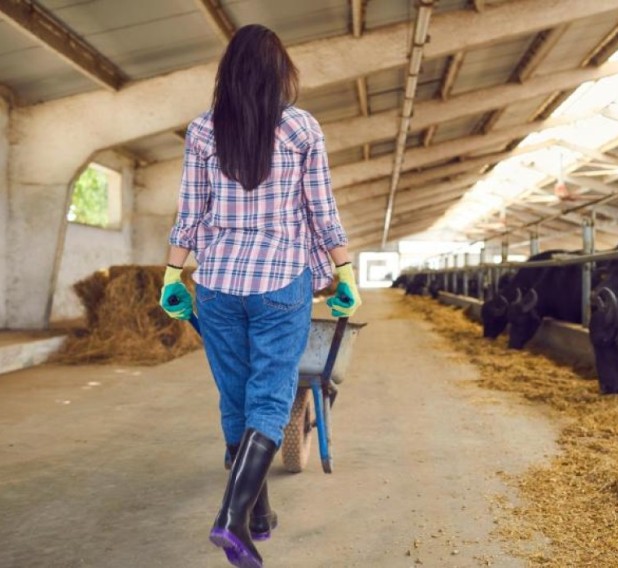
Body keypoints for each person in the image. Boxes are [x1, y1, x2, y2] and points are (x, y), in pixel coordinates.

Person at [158, 24, 361, 568]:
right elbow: (322, 211)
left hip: (217, 284)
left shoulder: (203, 130)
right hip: (279, 280)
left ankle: (259, 516)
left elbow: (189, 214)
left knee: (235, 397)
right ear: (281, 73)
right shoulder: (300, 128)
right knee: (270, 398)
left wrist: (173, 276)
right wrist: (344, 273)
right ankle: (231, 519)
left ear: (228, 72)